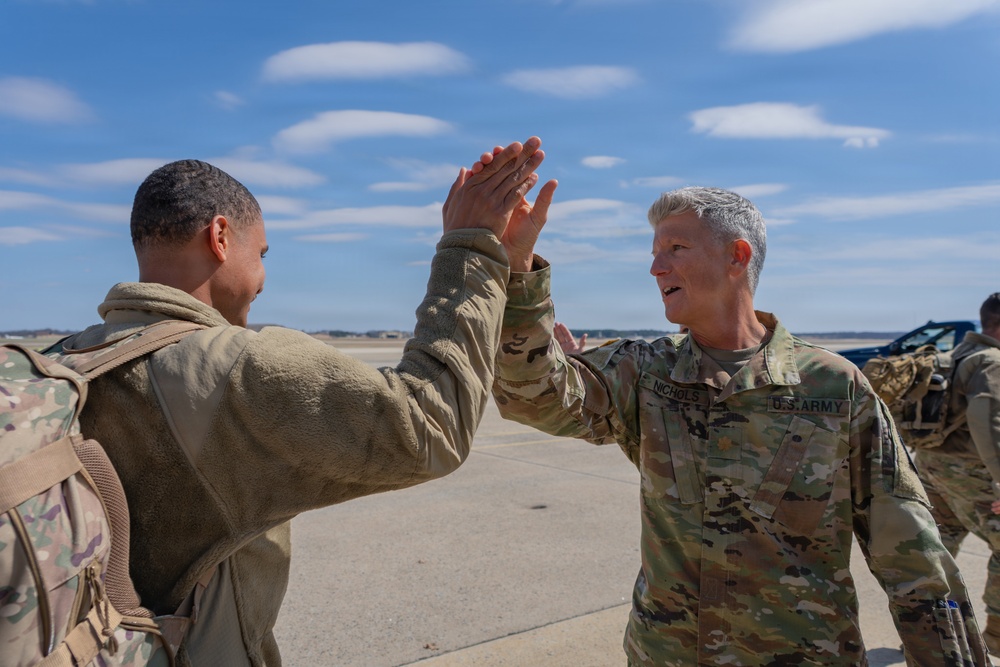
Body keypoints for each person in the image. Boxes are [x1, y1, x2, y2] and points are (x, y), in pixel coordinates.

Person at [56, 140, 557, 666]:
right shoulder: (233, 367)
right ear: (220, 238)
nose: (262, 278)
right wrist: (471, 245)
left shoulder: (63, 362)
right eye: (261, 254)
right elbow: (430, 424)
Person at [489, 185, 988, 665]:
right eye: (655, 252)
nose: (655, 267)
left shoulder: (835, 386)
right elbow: (534, 398)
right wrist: (516, 267)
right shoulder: (644, 370)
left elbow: (914, 557)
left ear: (737, 256)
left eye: (675, 248)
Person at [915, 293, 1000, 655]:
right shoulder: (991, 360)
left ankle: (927, 634)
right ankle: (997, 637)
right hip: (970, 472)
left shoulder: (954, 355)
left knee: (938, 550)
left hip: (932, 466)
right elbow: (986, 420)